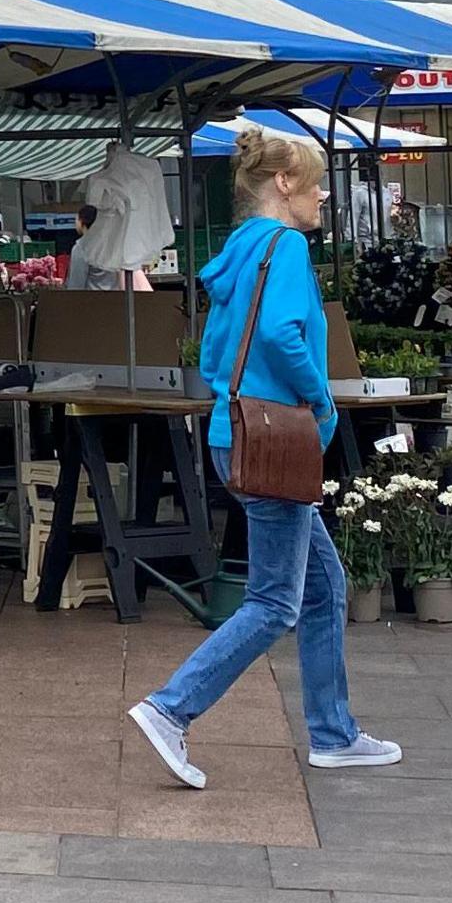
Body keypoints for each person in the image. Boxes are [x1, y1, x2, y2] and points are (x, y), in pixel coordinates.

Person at [130, 127, 394, 786]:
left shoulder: (241, 251)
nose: (324, 195)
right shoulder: (286, 248)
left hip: (236, 429)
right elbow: (279, 333)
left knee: (324, 586)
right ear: (283, 184)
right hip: (276, 436)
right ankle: (171, 708)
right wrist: (321, 402)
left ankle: (334, 734)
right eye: (315, 182)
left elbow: (217, 354)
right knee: (275, 600)